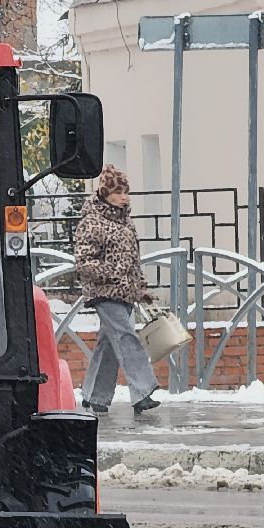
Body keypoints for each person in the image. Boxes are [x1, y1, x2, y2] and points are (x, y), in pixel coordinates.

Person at [72, 164, 160, 415]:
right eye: (119, 192)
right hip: (104, 292)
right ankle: (143, 390)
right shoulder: (92, 222)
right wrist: (112, 275)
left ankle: (94, 396)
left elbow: (134, 259)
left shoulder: (126, 222)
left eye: (126, 191)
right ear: (105, 193)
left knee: (109, 344)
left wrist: (141, 287)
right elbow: (83, 261)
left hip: (126, 292)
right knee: (125, 336)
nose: (124, 196)